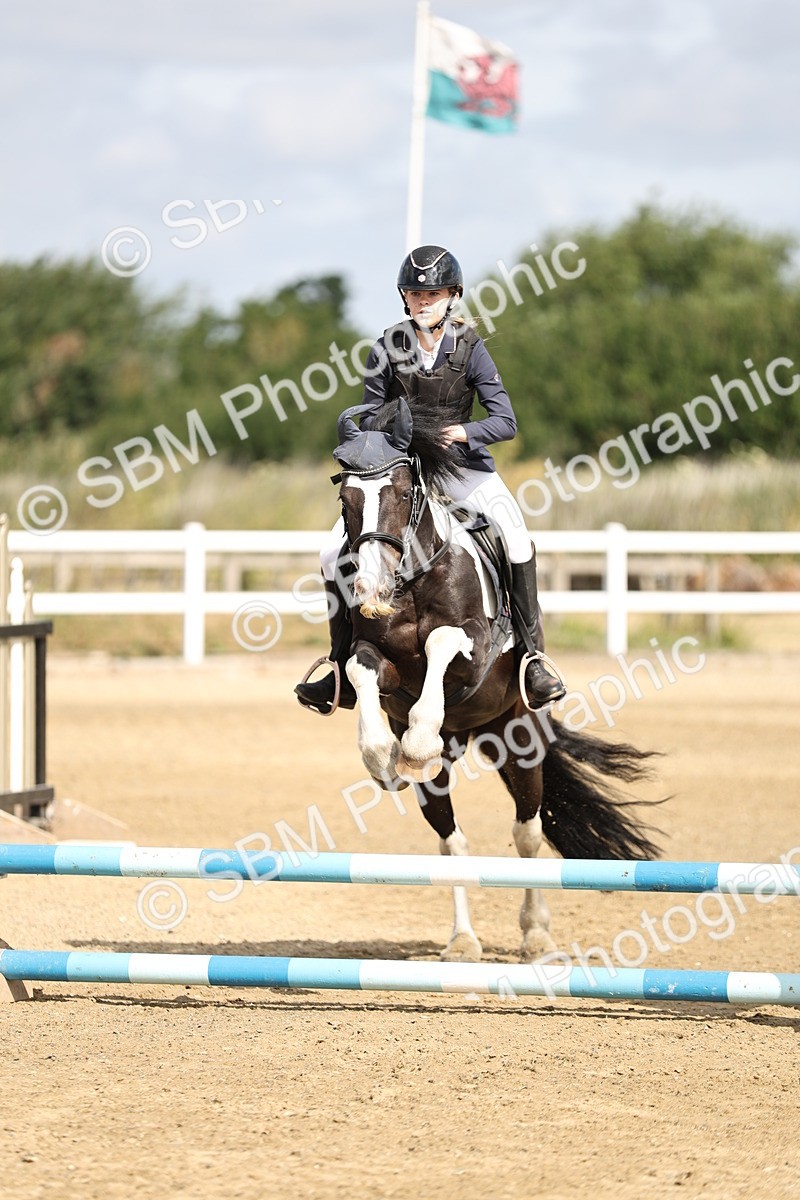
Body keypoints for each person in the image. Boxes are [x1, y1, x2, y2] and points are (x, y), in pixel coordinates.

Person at [295, 244, 566, 715]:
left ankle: (532, 658)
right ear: (404, 298)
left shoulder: (470, 347)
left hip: (461, 468)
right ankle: (339, 666)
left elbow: (505, 421)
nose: (424, 301)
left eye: (434, 293)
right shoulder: (385, 348)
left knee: (516, 537)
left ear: (452, 297)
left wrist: (463, 430)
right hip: (403, 472)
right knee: (327, 551)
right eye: (416, 293)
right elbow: (371, 417)